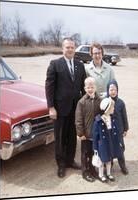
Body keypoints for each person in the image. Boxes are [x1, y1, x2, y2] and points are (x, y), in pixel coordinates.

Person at [45, 37, 86, 178]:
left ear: (75, 49)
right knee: (61, 137)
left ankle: (70, 161)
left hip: (75, 109)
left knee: (72, 137)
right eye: (67, 47)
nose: (70, 49)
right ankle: (61, 164)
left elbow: (83, 88)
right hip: (60, 109)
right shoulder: (55, 64)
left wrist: (85, 106)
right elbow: (49, 87)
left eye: (72, 47)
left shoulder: (80, 65)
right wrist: (51, 107)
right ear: (62, 49)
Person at [75, 77, 101, 182]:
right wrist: (80, 133)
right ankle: (85, 172)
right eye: (88, 87)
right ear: (85, 88)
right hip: (86, 134)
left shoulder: (99, 100)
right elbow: (78, 119)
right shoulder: (81, 102)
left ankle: (92, 169)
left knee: (93, 152)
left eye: (92, 87)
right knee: (85, 153)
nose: (90, 89)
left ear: (95, 87)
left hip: (95, 133)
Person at [92, 97, 123, 182]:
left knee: (109, 159)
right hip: (102, 143)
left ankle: (108, 173)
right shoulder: (98, 121)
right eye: (112, 107)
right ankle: (101, 174)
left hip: (110, 141)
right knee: (102, 160)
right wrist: (95, 148)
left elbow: (115, 131)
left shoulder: (111, 118)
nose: (113, 109)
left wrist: (118, 142)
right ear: (107, 109)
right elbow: (95, 136)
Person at [106, 79, 129, 175]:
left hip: (119, 130)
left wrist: (125, 129)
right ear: (108, 91)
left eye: (114, 89)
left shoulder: (121, 103)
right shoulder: (105, 102)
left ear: (117, 90)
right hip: (109, 130)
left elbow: (124, 116)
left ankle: (122, 165)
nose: (113, 91)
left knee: (120, 148)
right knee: (110, 147)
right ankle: (109, 165)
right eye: (111, 90)